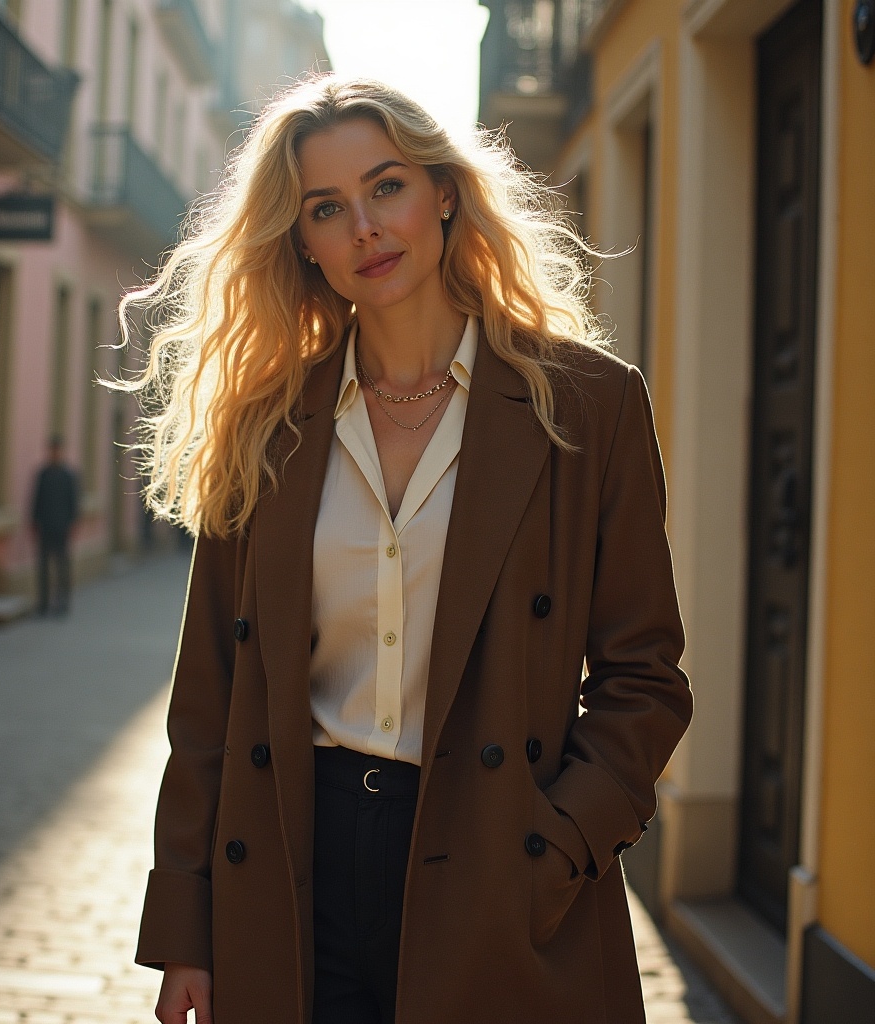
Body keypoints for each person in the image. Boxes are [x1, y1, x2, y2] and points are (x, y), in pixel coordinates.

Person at [123, 77, 693, 1023]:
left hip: (500, 857)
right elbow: (211, 698)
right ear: (301, 240)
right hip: (296, 863)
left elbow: (646, 675)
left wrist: (555, 847)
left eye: (386, 187)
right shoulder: (269, 426)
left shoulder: (589, 406)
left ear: (443, 193)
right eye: (326, 208)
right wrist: (186, 927)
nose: (365, 229)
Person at [30, 436, 79, 616]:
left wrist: (72, 523)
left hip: (62, 527)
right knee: (43, 566)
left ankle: (62, 601)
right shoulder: (43, 474)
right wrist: (34, 521)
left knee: (61, 566)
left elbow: (73, 502)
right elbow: (36, 499)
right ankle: (43, 603)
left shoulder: (68, 475)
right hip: (45, 526)